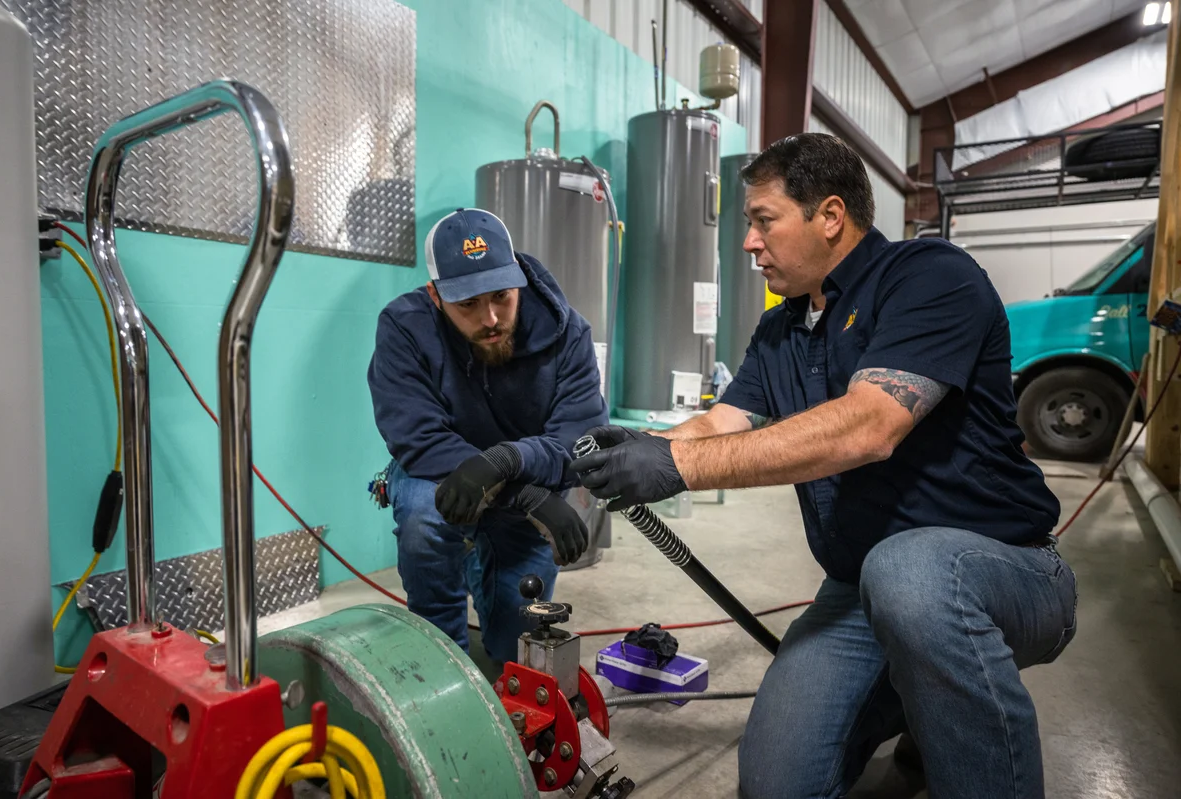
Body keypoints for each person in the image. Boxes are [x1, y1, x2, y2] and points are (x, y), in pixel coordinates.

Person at [571, 133, 1076, 799]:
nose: (749, 242)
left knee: (909, 573)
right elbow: (719, 423)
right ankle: (920, 695)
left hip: (1006, 570)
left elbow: (870, 425)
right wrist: (630, 451)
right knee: (776, 782)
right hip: (860, 591)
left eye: (762, 220)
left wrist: (683, 465)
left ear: (830, 215)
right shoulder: (781, 332)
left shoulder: (929, 277)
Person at [368, 207, 606, 664]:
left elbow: (579, 437)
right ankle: (441, 662)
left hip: (526, 474)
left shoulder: (569, 333)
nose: (491, 318)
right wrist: (529, 496)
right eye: (468, 305)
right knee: (422, 517)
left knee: (514, 649)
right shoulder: (403, 327)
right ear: (435, 298)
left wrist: (505, 464)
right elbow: (416, 434)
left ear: (517, 279)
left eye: (501, 296)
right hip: (441, 474)